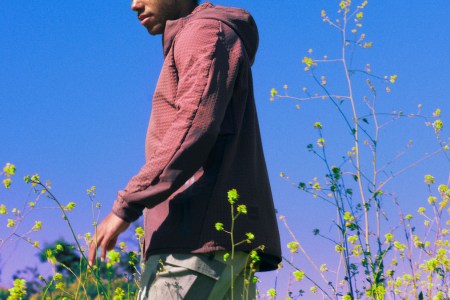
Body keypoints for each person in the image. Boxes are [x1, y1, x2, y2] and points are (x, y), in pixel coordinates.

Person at [88, 1, 281, 299]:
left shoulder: (203, 32)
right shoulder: (207, 34)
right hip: (217, 242)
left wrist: (127, 204)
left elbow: (194, 125)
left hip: (195, 243)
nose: (134, 4)